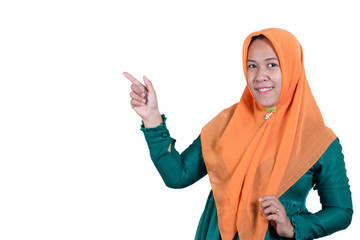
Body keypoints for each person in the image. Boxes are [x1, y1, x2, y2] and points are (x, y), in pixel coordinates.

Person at [124, 28, 353, 240]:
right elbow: (178, 176)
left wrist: (294, 226)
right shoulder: (227, 123)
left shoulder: (319, 140)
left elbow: (341, 211)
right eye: (252, 65)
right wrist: (152, 118)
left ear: (292, 67)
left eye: (272, 65)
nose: (259, 75)